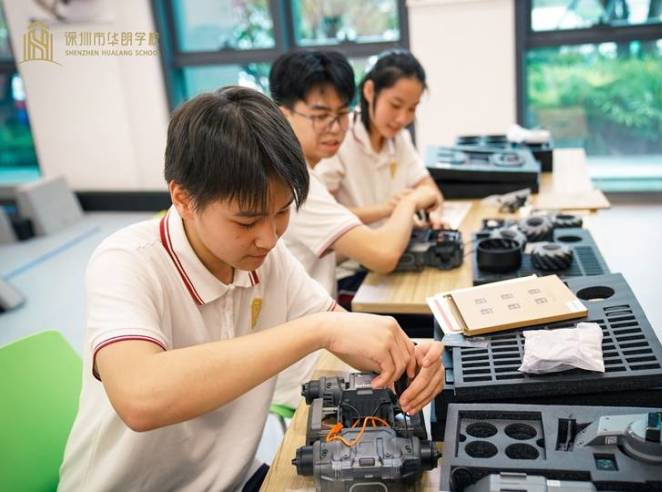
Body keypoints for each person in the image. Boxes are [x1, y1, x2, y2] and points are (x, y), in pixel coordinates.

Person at [58, 86, 444, 492]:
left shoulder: (267, 261)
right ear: (183, 199)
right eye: (246, 222)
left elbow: (346, 336)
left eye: (282, 212)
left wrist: (408, 355)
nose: (269, 238)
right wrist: (318, 330)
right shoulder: (126, 260)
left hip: (231, 479)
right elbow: (140, 398)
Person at [269, 50, 442, 408]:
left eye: (341, 114)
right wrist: (406, 204)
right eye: (320, 116)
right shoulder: (293, 185)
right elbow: (383, 255)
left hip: (323, 324)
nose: (335, 127)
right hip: (305, 363)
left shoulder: (305, 175)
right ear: (283, 115)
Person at [315, 49, 444, 228]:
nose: (402, 119)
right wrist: (390, 209)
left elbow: (431, 190)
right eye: (395, 105)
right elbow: (324, 214)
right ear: (369, 91)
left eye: (412, 108)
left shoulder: (400, 139)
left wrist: (433, 215)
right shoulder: (338, 138)